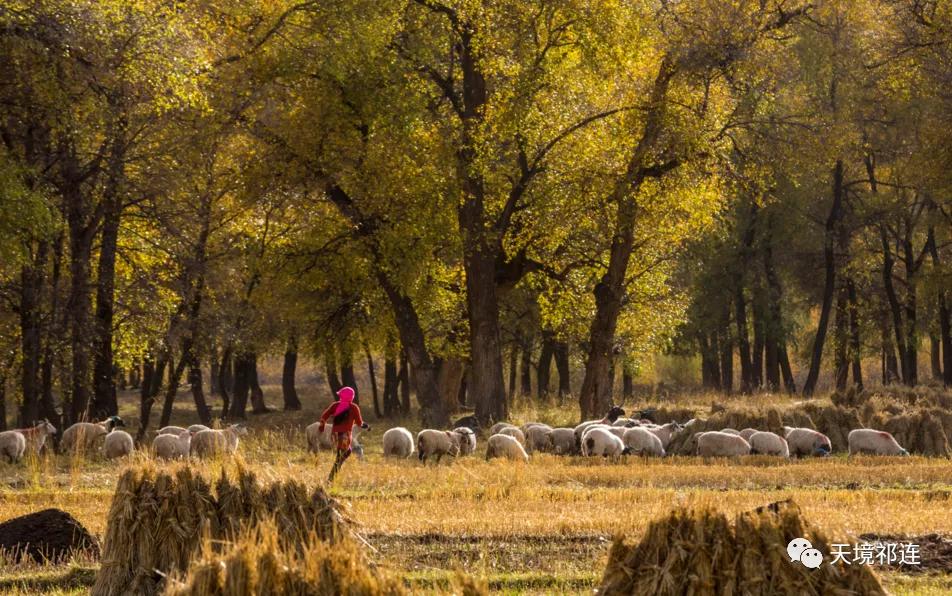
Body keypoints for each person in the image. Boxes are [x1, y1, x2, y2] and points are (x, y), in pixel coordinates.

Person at [319, 386, 368, 482]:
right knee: (340, 456)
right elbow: (359, 422)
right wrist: (363, 425)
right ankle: (331, 478)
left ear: (341, 395)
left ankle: (333, 475)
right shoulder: (354, 407)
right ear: (352, 397)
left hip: (335, 434)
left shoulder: (335, 405)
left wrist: (322, 426)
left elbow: (324, 416)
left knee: (346, 452)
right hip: (345, 435)